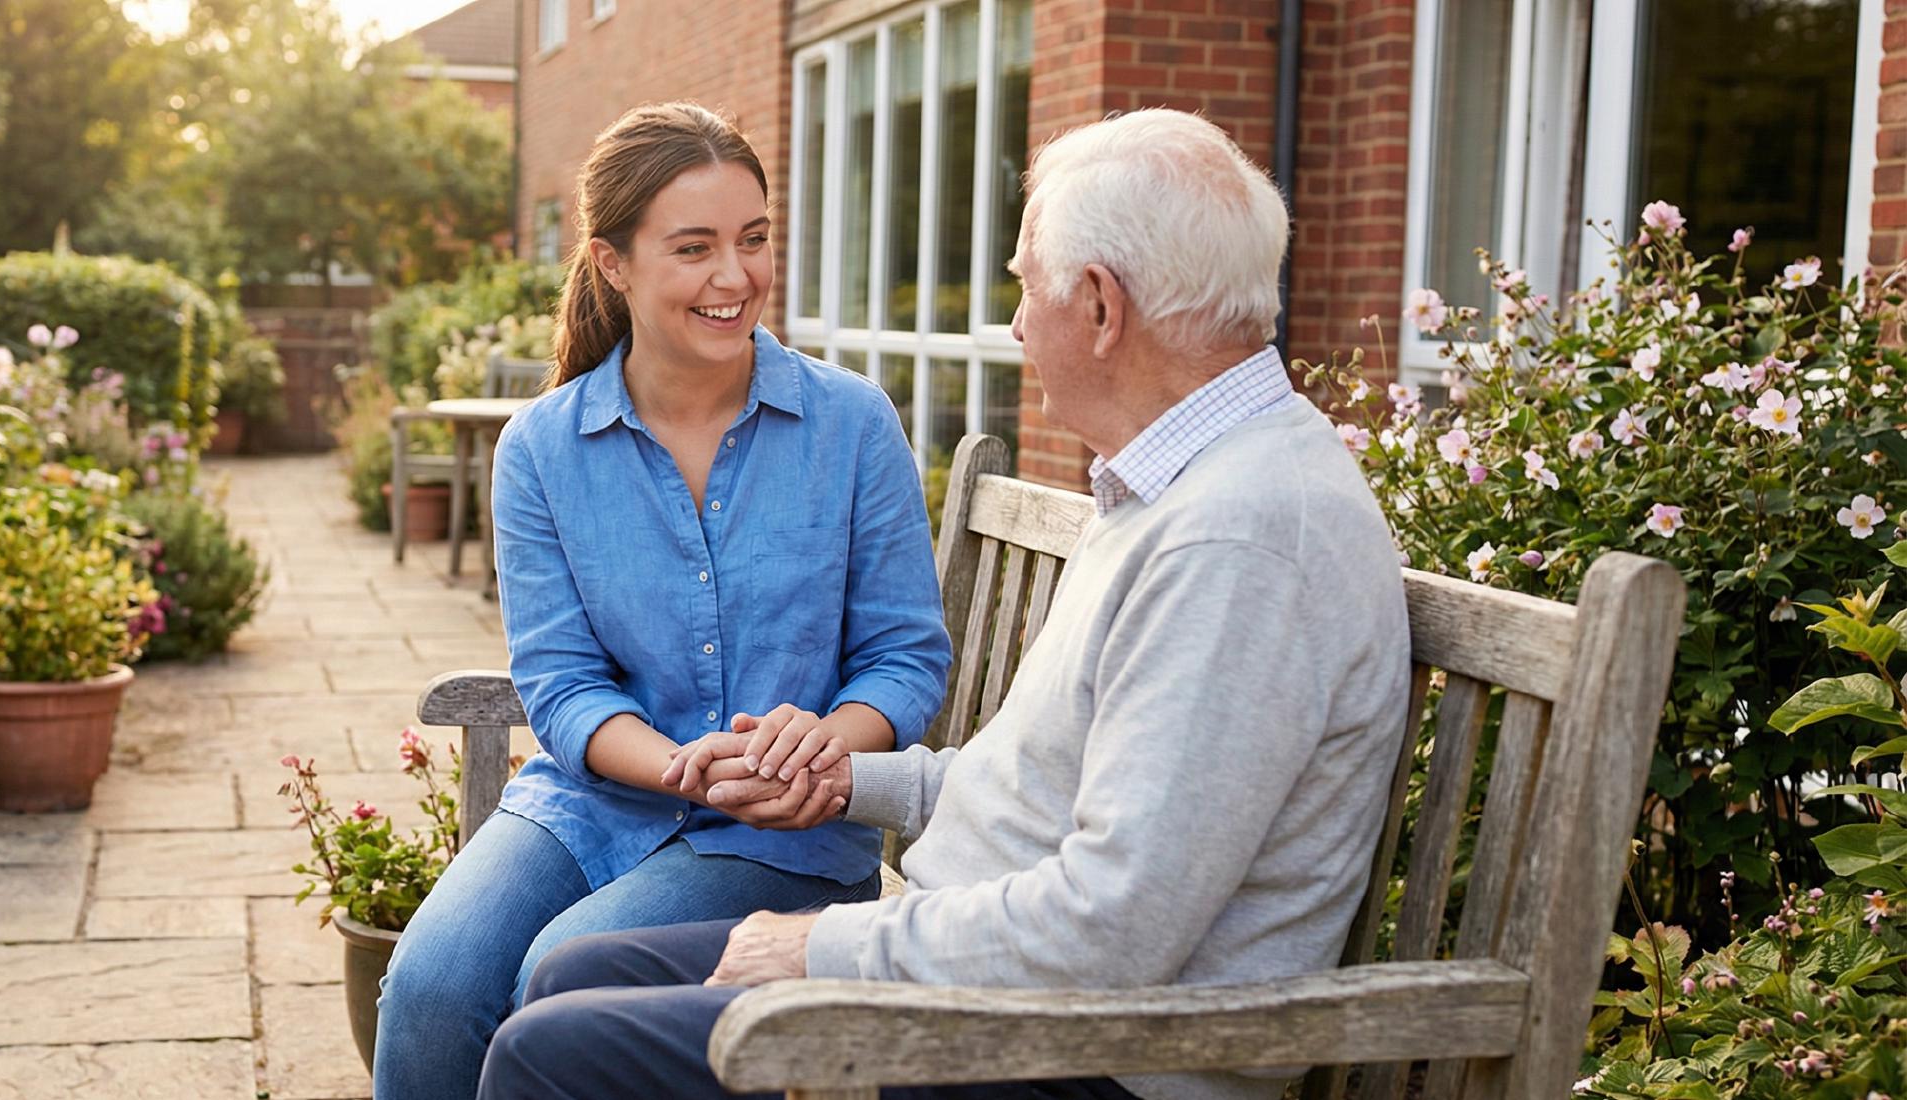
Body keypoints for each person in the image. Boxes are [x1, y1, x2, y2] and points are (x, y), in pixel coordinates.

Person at [474, 107, 1415, 1100]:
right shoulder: (1176, 488)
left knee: (549, 1054)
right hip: (999, 980)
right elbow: (1031, 785)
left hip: (1084, 1052)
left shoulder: (1239, 537)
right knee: (580, 975)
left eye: (1023, 287)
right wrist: (843, 781)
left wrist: (822, 944)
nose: (1013, 326)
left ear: (1098, 307)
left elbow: (1110, 927)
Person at [368, 101, 953, 1100]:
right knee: (429, 984)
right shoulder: (543, 449)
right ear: (613, 263)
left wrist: (818, 745)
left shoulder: (851, 425)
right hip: (590, 803)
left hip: (787, 831)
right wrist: (682, 767)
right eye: (694, 248)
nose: (736, 277)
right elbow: (558, 681)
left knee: (557, 978)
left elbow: (905, 658)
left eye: (753, 240)